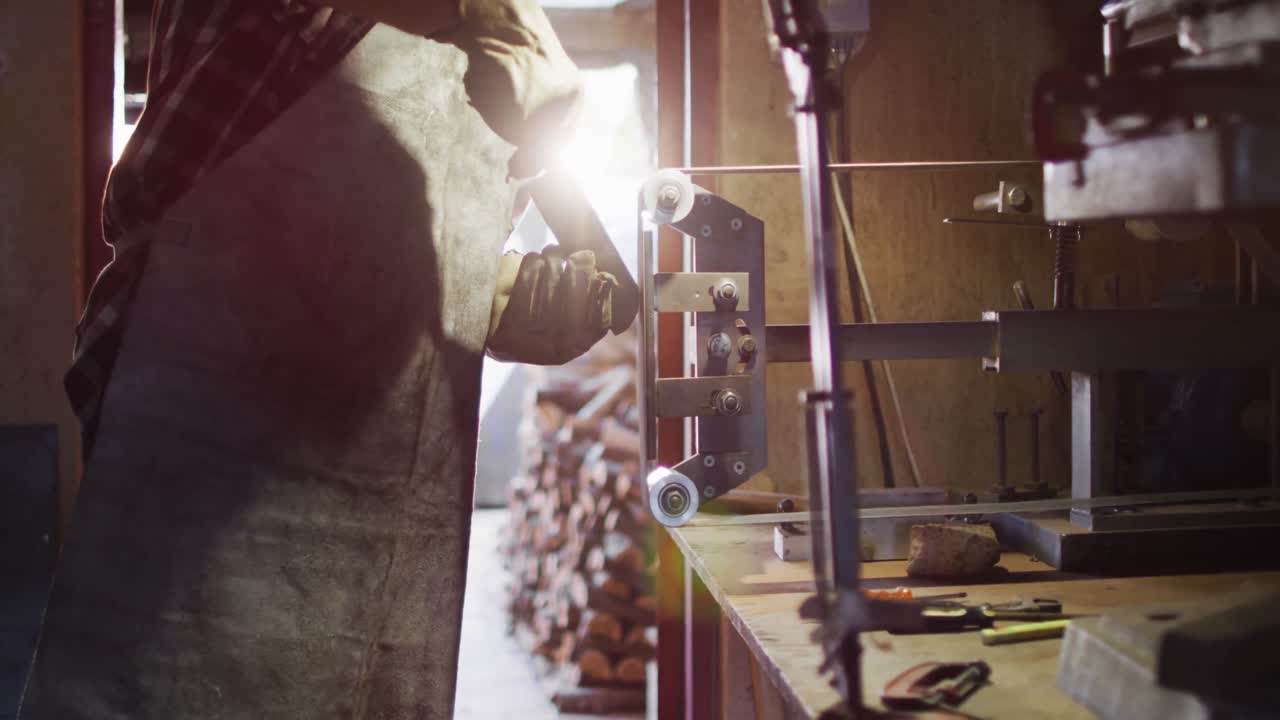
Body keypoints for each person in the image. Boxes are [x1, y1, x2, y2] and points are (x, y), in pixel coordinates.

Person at [20, 2, 621, 717]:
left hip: (359, 463)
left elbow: (371, 208)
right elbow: (238, 214)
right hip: (200, 426)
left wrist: (476, 288)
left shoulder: (416, 62)